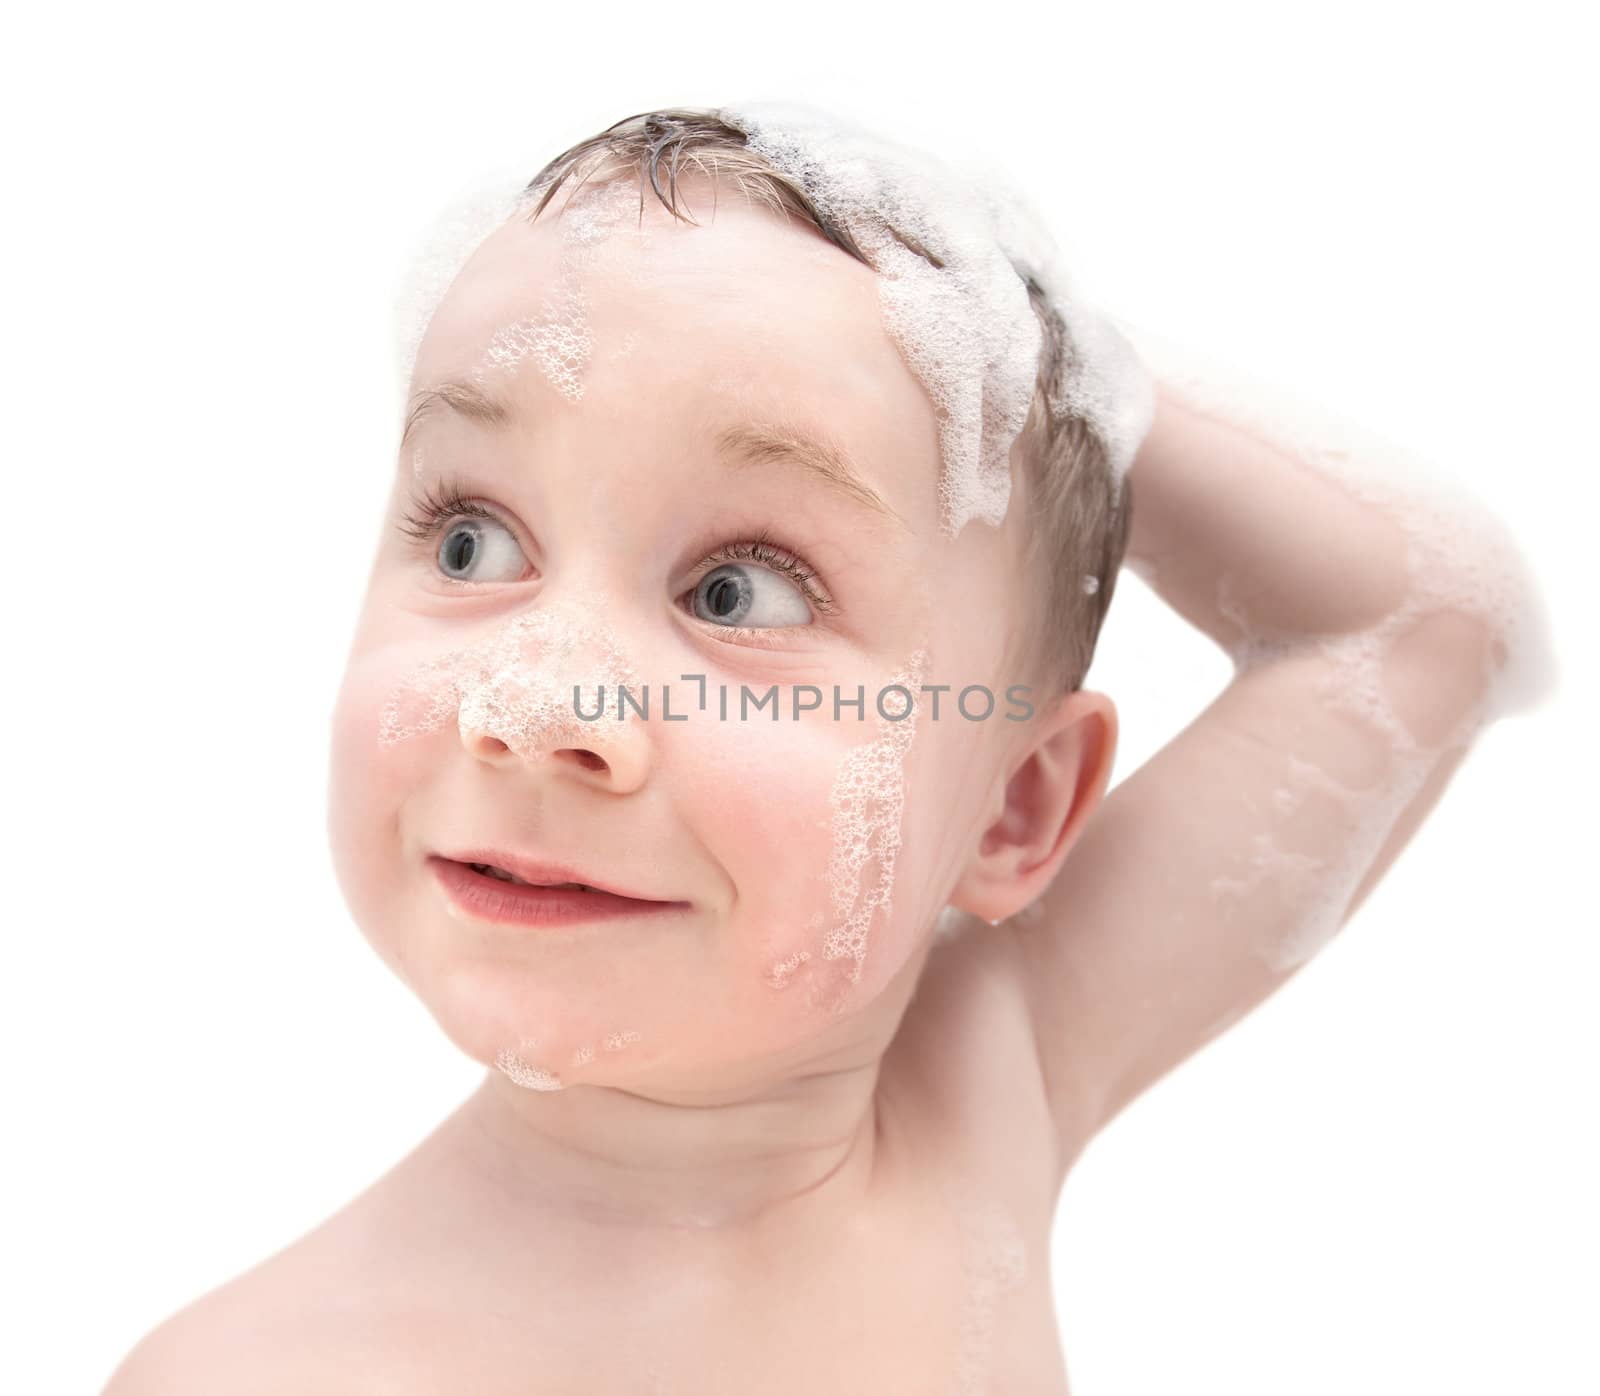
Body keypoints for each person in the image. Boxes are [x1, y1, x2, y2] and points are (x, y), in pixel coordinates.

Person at [101, 103, 1552, 1395]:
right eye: (473, 541)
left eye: (738, 590)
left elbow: (1423, 622)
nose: (537, 704)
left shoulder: (985, 1082)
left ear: (1015, 808)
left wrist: (1021, 353)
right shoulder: (254, 1374)